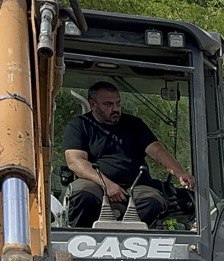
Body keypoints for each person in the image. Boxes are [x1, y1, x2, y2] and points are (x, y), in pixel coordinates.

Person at [62, 81, 196, 228]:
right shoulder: (79, 125)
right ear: (93, 104)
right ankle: (81, 239)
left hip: (134, 186)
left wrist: (180, 173)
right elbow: (75, 161)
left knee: (153, 200)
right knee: (82, 193)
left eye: (117, 103)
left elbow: (157, 151)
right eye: (108, 104)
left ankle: (133, 241)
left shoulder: (134, 124)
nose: (115, 109)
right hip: (95, 184)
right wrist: (107, 185)